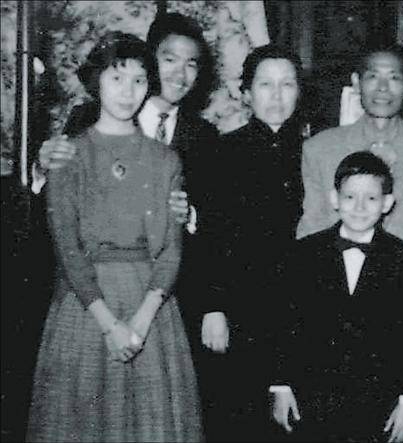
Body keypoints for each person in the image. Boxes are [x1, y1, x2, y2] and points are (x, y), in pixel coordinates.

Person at [26, 32, 202, 442]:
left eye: (139, 80)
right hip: (87, 306)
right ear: (96, 82)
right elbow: (67, 247)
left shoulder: (165, 159)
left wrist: (140, 321)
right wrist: (110, 325)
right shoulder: (69, 154)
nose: (128, 91)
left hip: (150, 308)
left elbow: (171, 248)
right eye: (116, 78)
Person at [33, 11, 218, 357]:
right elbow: (58, 224)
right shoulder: (84, 121)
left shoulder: (205, 137)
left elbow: (213, 230)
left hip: (163, 301)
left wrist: (187, 214)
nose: (180, 74)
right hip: (87, 297)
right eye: (170, 60)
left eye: (191, 64)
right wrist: (41, 169)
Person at [297, 41, 403, 350]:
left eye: (394, 78)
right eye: (373, 76)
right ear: (357, 82)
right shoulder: (320, 149)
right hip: (333, 306)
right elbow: (311, 229)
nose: (383, 88)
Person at [271, 151, 403, 442]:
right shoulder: (302, 253)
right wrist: (281, 386)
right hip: (313, 395)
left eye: (371, 198)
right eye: (349, 197)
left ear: (387, 203)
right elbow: (284, 325)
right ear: (334, 199)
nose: (359, 207)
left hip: (378, 398)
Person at [195, 44, 305, 441]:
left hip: (300, 308)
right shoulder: (220, 151)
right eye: (265, 85)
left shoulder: (315, 153)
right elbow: (208, 236)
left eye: (287, 84)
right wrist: (213, 307)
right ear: (246, 93)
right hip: (240, 308)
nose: (276, 96)